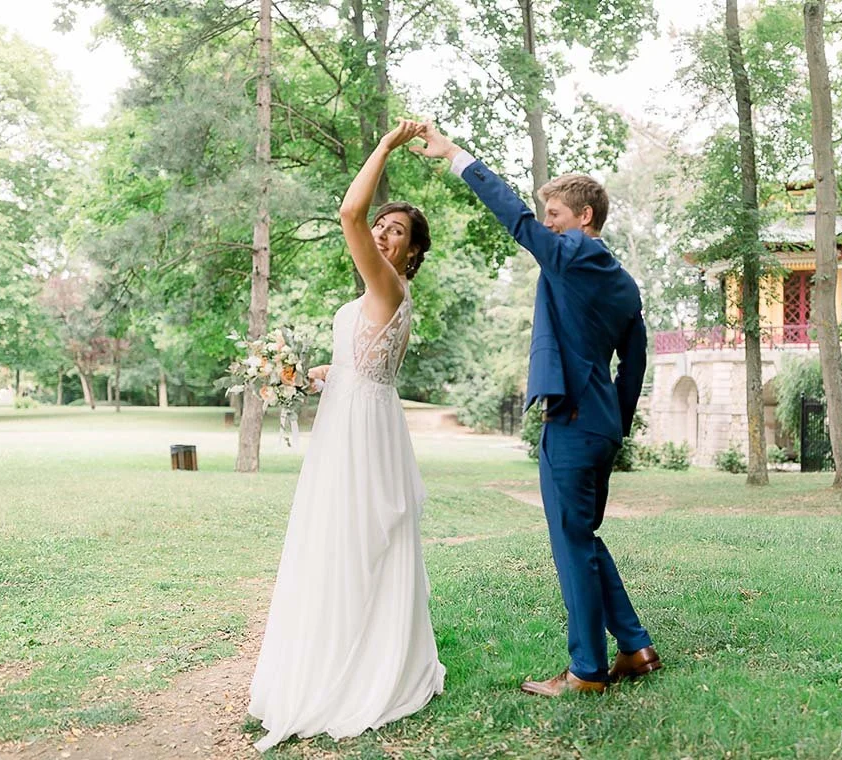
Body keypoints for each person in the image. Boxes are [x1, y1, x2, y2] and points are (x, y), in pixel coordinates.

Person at [413, 123, 662, 696]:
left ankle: (585, 671)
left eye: (554, 213)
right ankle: (635, 646)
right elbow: (636, 365)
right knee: (585, 536)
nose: (545, 222)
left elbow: (517, 222)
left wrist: (455, 155)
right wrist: (616, 427)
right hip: (600, 425)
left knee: (571, 543)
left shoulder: (572, 256)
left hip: (572, 421)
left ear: (583, 219)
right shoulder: (624, 285)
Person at [248, 120, 444, 751]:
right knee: (339, 538)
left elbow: (347, 211)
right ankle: (334, 645)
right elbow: (365, 362)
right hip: (351, 417)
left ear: (410, 254)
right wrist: (321, 373)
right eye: (382, 227)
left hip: (363, 434)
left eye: (396, 232)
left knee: (359, 540)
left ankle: (361, 666)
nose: (382, 233)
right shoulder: (371, 297)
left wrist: (386, 146)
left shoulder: (389, 284)